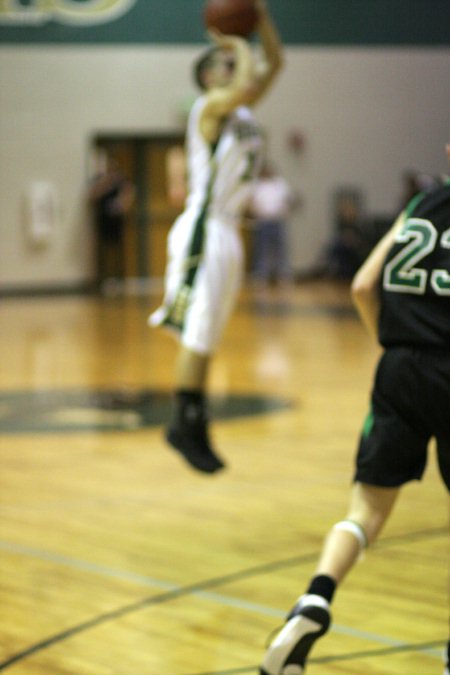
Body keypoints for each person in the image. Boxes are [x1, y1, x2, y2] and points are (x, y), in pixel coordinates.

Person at [260, 144, 450, 674]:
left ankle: (314, 600)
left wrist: (392, 347)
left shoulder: (420, 205)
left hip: (399, 368)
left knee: (364, 512)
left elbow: (363, 285)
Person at [149, 0, 283, 474]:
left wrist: (259, 18)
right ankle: (184, 424)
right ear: (208, 77)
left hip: (229, 231)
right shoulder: (209, 109)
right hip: (203, 228)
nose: (233, 64)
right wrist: (233, 40)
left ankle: (194, 423)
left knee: (210, 334)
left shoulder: (243, 113)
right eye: (223, 63)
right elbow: (247, 79)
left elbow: (277, 64)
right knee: (197, 330)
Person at [87, 151, 135, 292]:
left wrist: (120, 204)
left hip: (116, 222)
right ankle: (103, 279)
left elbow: (128, 197)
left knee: (117, 251)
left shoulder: (122, 182)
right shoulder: (100, 181)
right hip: (103, 222)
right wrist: (105, 184)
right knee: (103, 251)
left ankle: (119, 278)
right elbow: (91, 196)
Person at [249, 161, 298, 286]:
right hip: (263, 221)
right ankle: (261, 274)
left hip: (278, 220)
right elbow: (252, 203)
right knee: (261, 249)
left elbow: (289, 199)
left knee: (281, 249)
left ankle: (283, 274)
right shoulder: (258, 185)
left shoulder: (280, 184)